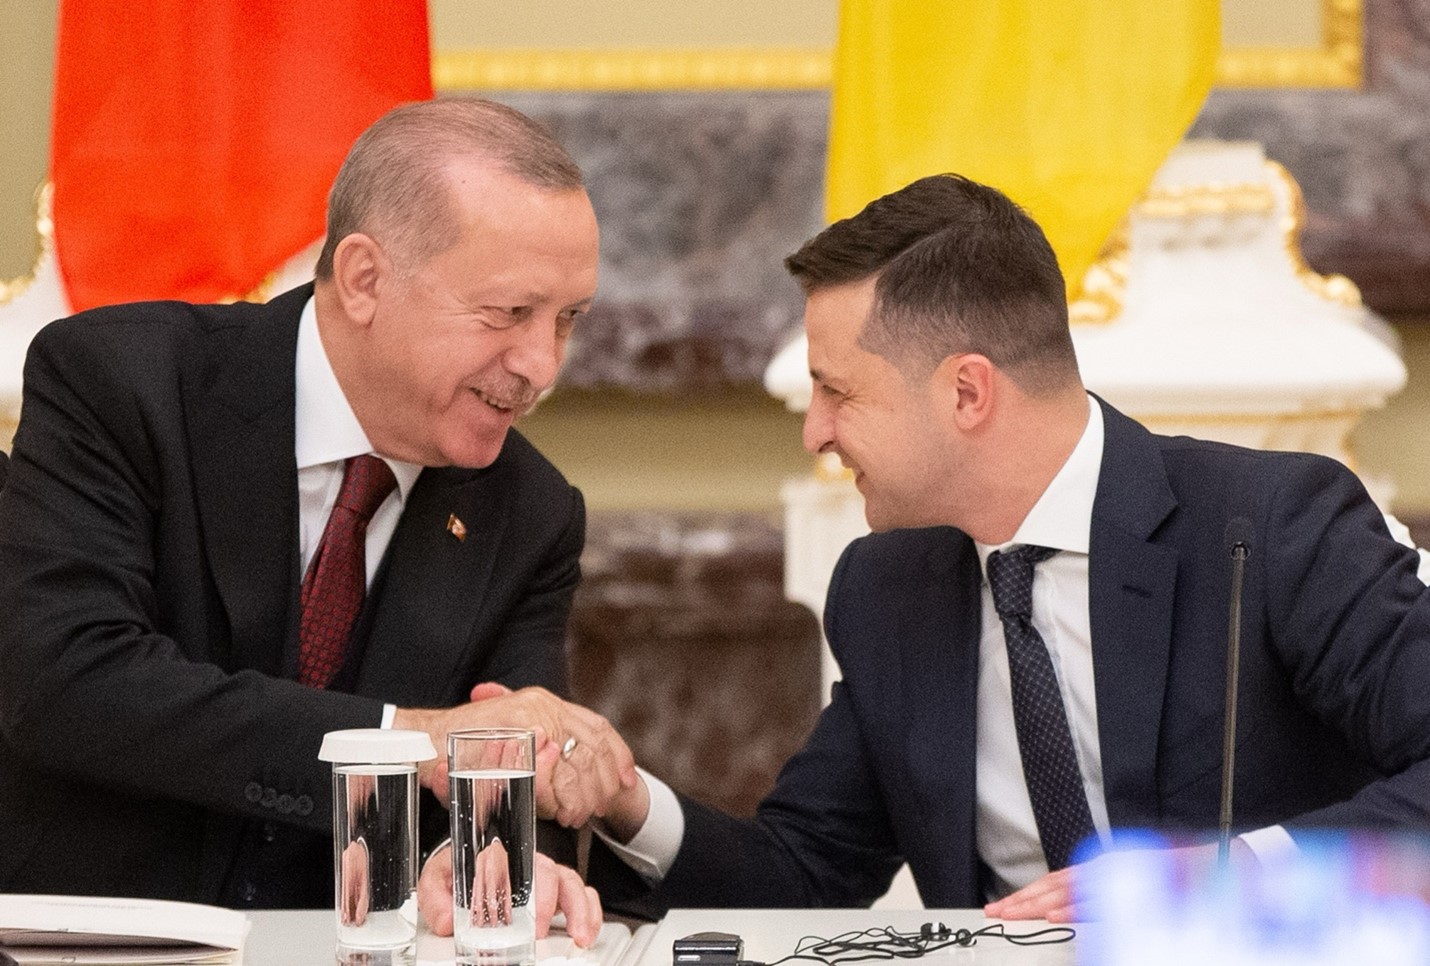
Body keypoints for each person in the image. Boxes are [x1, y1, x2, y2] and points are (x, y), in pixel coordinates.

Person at [557, 172, 1430, 921]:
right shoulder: (888, 588)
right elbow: (803, 875)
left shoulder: (1269, 527)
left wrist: (1222, 876)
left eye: (838, 393)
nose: (814, 432)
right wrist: (630, 803)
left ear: (967, 393)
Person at [0, 98, 631, 940]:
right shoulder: (125, 382)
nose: (542, 366)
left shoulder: (531, 511)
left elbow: (512, 754)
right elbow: (66, 682)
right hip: (77, 937)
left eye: (567, 320)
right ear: (365, 278)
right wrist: (407, 740)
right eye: (509, 313)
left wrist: (492, 854)